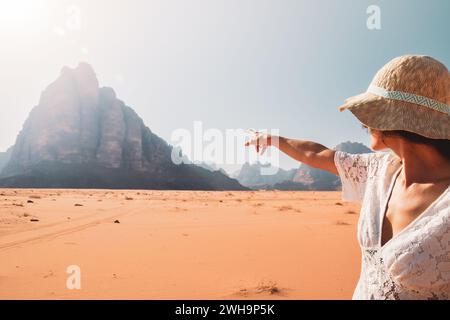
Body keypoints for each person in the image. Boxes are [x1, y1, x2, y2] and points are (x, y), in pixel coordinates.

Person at [245, 55, 450, 300]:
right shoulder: (379, 170)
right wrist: (273, 139)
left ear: (389, 118)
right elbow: (317, 153)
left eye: (371, 112)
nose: (364, 122)